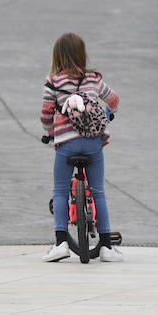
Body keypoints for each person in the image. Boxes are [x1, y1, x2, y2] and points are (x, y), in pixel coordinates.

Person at [40, 32, 121, 263]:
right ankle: (106, 246)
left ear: (57, 56)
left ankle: (61, 243)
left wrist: (50, 132)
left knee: (60, 191)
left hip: (66, 144)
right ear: (82, 54)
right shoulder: (94, 79)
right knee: (98, 192)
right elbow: (114, 101)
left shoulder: (53, 82)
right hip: (94, 144)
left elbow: (46, 115)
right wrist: (107, 112)